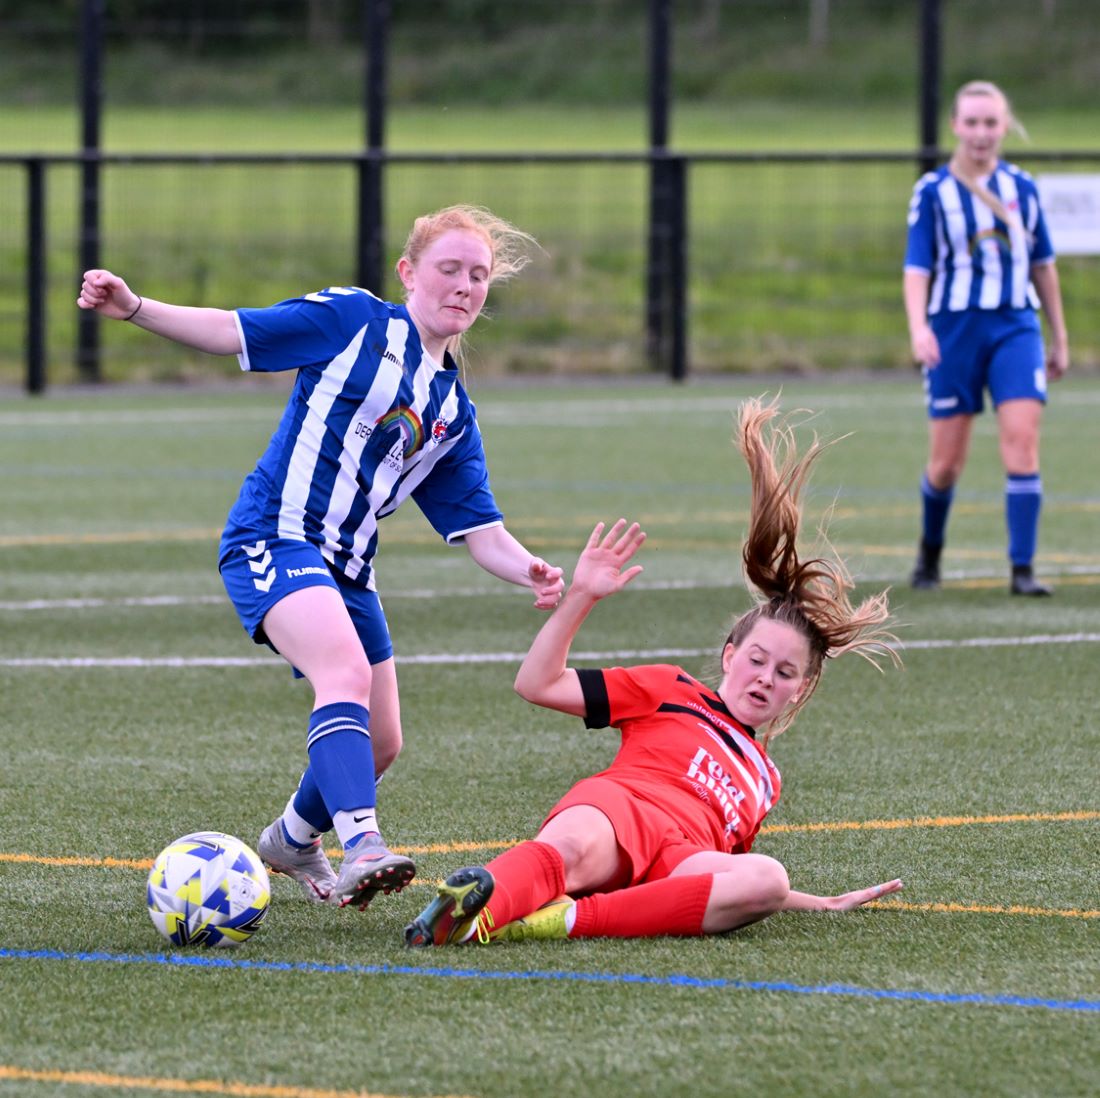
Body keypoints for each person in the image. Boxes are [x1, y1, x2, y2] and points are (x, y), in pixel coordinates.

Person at [77, 205, 564, 912]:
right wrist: (135, 308)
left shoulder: (452, 409)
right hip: (272, 536)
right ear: (409, 273)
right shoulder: (354, 320)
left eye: (478, 276)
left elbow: (480, 529)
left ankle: (291, 838)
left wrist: (530, 568)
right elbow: (234, 329)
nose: (464, 286)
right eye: (449, 269)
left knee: (383, 742)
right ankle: (362, 843)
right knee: (342, 673)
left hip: (349, 568)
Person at [405, 397, 903, 948]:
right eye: (757, 661)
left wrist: (820, 902)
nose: (765, 678)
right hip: (621, 809)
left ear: (802, 689)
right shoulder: (669, 689)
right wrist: (582, 597)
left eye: (785, 672)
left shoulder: (766, 779)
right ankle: (473, 907)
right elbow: (537, 684)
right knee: (571, 849)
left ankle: (564, 919)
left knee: (768, 877)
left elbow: (730, 880)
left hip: (681, 857)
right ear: (731, 657)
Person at [904, 80, 1069, 596]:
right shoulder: (933, 192)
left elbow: (1044, 266)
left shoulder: (1023, 188)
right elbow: (916, 268)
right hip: (955, 330)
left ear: (1005, 126)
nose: (981, 133)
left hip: (1016, 325)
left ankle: (1023, 569)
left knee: (1021, 443)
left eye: (991, 123)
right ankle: (929, 554)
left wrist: (1060, 336)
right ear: (955, 126)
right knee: (946, 463)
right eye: (971, 122)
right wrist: (918, 328)